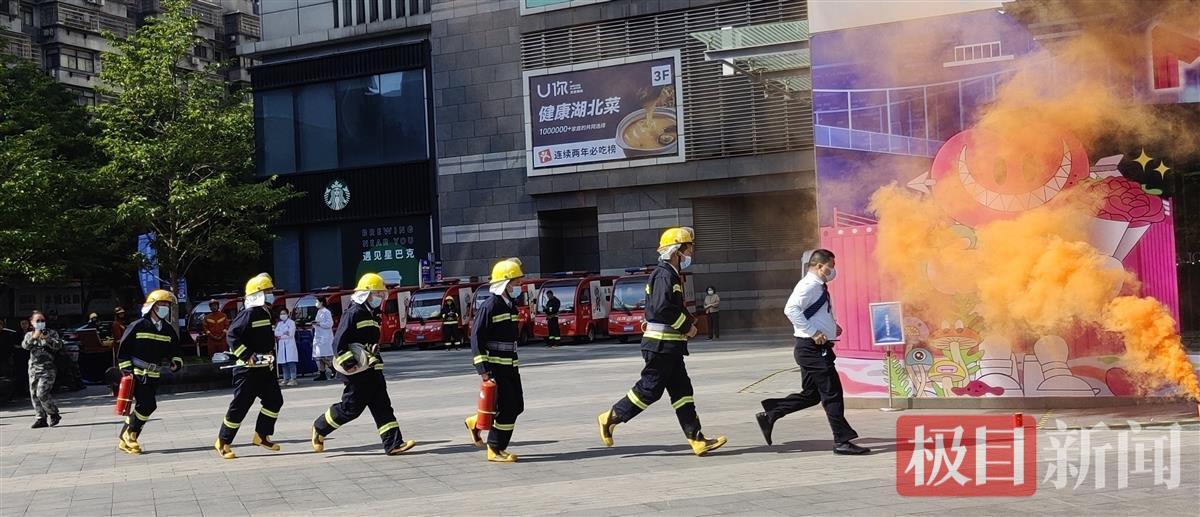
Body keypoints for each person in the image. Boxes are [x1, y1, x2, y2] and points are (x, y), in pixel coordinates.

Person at [597, 227, 727, 457]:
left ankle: (697, 440)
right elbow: (661, 308)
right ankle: (610, 417)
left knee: (683, 392)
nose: (691, 253)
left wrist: (689, 320)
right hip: (660, 346)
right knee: (649, 390)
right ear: (677, 251)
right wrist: (687, 327)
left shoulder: (670, 274)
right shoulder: (665, 274)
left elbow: (671, 307)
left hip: (670, 347)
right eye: (688, 248)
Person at [756, 249, 869, 455]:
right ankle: (842, 441)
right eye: (831, 266)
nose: (833, 270)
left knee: (811, 395)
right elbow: (791, 309)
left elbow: (814, 312)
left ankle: (771, 413)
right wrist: (814, 332)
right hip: (812, 349)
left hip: (811, 348)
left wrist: (831, 327)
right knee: (832, 393)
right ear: (819, 266)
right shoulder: (809, 285)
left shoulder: (817, 286)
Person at [311, 273, 415, 456]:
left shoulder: (373, 314)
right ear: (367, 293)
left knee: (383, 406)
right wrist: (349, 363)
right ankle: (320, 428)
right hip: (356, 371)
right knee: (351, 409)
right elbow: (338, 343)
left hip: (372, 368)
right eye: (377, 294)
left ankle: (393, 444)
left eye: (381, 294)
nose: (380, 297)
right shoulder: (354, 313)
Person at [214, 273, 284, 459]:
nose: (271, 294)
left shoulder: (266, 313)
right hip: (247, 371)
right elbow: (232, 336)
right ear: (258, 294)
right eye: (267, 291)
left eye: (271, 291)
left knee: (275, 401)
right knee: (240, 406)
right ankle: (223, 441)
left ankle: (261, 435)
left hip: (265, 369)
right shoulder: (249, 313)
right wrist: (247, 355)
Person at [464, 258, 526, 463]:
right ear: (506, 283)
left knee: (516, 406)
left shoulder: (511, 306)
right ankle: (495, 448)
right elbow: (476, 338)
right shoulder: (490, 306)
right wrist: (483, 369)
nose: (519, 286)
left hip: (511, 367)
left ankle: (476, 422)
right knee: (508, 408)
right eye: (516, 282)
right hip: (496, 368)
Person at [115, 290, 182, 454]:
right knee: (148, 404)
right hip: (137, 373)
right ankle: (130, 435)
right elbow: (123, 350)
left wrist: (176, 362)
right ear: (152, 306)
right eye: (162, 305)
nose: (165, 308)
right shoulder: (137, 325)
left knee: (145, 406)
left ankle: (126, 438)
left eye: (168, 305)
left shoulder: (167, 329)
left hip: (154, 374)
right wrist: (126, 371)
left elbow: (175, 350)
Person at [23, 311, 62, 428]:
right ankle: (41, 418)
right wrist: (34, 337)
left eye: (42, 321)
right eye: (38, 321)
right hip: (34, 369)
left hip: (48, 369)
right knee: (34, 394)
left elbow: (59, 345)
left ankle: (53, 413)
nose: (40, 323)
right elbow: (25, 346)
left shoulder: (51, 333)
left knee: (42, 392)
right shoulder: (30, 335)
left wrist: (48, 339)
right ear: (32, 323)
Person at [311, 297, 335, 381]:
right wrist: (315, 324)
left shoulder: (326, 312)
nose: (316, 303)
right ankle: (322, 374)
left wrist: (319, 323)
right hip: (319, 336)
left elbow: (330, 324)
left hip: (325, 337)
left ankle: (333, 369)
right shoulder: (319, 311)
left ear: (321, 302)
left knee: (324, 356)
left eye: (317, 301)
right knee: (319, 356)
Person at [8, 319, 31, 401]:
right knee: (21, 374)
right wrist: (22, 347)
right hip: (20, 357)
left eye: (25, 323)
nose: (24, 325)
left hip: (30, 356)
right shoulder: (16, 334)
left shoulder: (32, 332)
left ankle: (30, 390)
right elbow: (14, 345)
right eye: (22, 324)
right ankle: (21, 391)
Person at [275, 308, 298, 387]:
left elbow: (291, 334)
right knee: (284, 363)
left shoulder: (291, 323)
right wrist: (283, 333)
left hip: (289, 345)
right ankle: (286, 379)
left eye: (284, 313)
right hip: (282, 345)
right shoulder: (279, 324)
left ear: (288, 314)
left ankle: (293, 379)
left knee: (291, 362)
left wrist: (280, 336)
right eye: (281, 313)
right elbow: (276, 333)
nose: (282, 315)